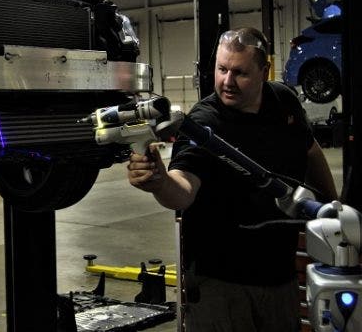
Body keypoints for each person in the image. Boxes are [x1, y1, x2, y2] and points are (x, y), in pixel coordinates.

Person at [127, 27, 338, 331]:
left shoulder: (283, 102)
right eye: (221, 69)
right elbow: (183, 189)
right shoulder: (204, 122)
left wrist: (332, 205)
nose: (227, 82)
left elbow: (311, 150)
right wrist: (159, 182)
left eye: (240, 72)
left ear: (264, 71)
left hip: (280, 276)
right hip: (222, 284)